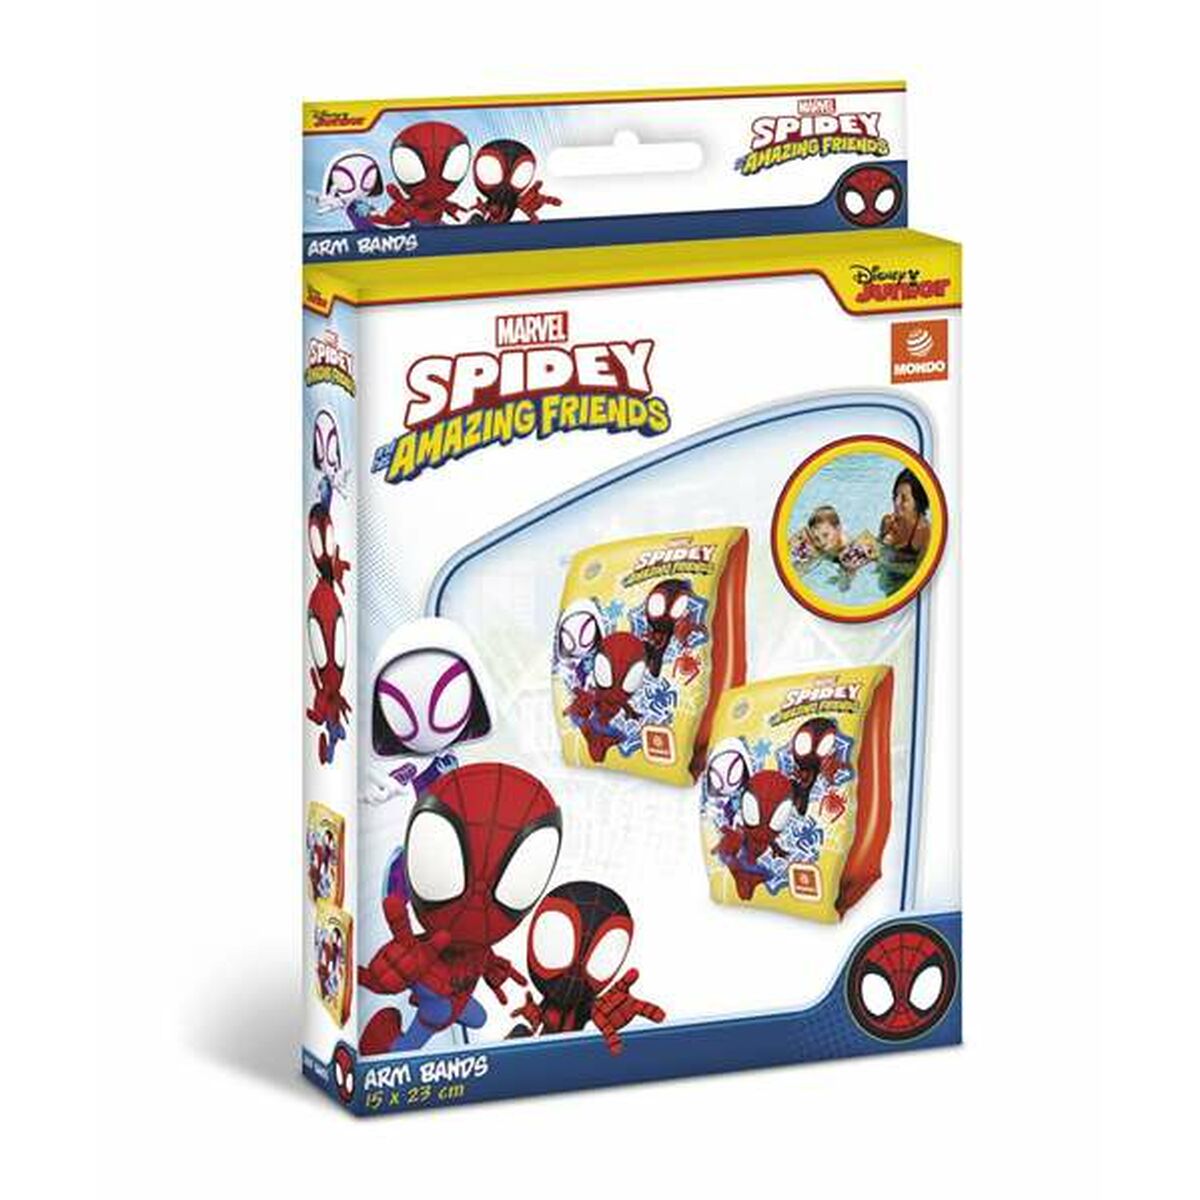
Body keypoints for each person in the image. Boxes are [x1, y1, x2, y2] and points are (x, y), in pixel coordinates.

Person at [879, 468, 931, 558]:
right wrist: (883, 546)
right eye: (895, 495)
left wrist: (892, 553)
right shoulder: (887, 522)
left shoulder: (926, 534)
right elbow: (874, 554)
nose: (896, 502)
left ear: (917, 503)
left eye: (904, 499)